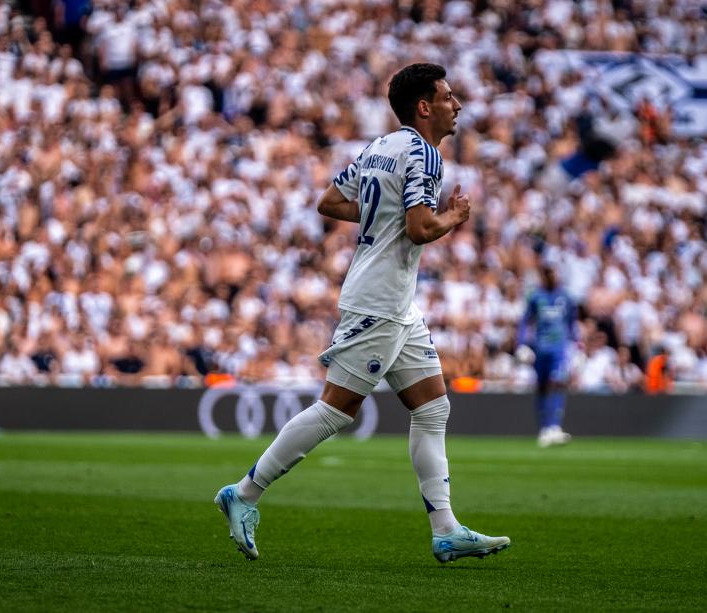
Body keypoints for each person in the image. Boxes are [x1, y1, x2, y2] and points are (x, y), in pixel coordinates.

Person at [214, 63, 510, 564]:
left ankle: (445, 529)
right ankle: (243, 493)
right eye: (448, 96)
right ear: (424, 107)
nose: (457, 105)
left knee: (432, 407)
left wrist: (384, 213)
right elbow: (419, 229)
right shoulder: (424, 154)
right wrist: (454, 217)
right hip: (379, 301)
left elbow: (330, 201)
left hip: (396, 304)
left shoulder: (379, 147)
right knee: (336, 409)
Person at [516, 265, 578, 447]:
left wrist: (578, 345)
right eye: (546, 273)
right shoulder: (536, 296)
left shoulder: (566, 297)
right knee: (542, 386)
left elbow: (571, 323)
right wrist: (521, 344)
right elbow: (525, 321)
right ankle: (544, 429)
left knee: (558, 383)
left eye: (552, 273)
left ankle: (555, 426)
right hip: (540, 348)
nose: (550, 276)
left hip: (559, 349)